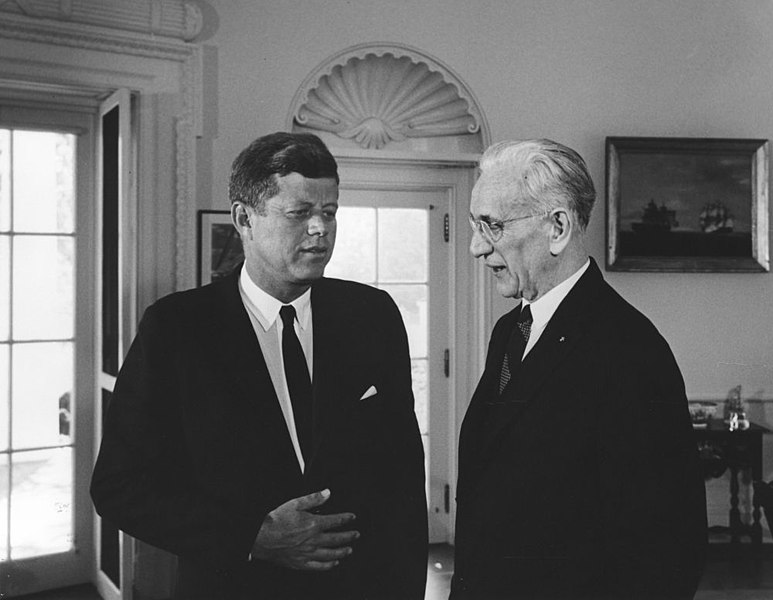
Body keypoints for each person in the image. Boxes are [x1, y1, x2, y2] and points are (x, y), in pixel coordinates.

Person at [91, 132, 428, 599]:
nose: (320, 229)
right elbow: (119, 487)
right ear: (243, 219)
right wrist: (250, 537)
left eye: (329, 213)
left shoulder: (373, 315)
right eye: (299, 213)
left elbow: (405, 477)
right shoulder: (176, 329)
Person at [451, 139, 707, 600]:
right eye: (475, 225)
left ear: (559, 227)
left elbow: (667, 552)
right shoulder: (511, 330)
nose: (474, 247)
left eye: (492, 226)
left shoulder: (631, 350)